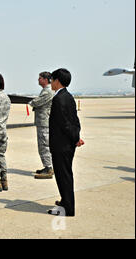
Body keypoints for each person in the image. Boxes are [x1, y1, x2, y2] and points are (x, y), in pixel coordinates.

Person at [48, 68, 84, 217]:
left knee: (64, 176)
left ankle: (67, 208)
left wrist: (75, 138)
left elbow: (65, 123)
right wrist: (76, 137)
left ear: (57, 81)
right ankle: (65, 201)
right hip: (67, 143)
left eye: (52, 80)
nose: (51, 82)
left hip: (61, 145)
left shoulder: (58, 99)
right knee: (65, 175)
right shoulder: (68, 96)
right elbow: (74, 120)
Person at [29, 72, 55, 179]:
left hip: (45, 123)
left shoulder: (48, 91)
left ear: (45, 79)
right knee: (43, 145)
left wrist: (32, 102)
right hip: (43, 122)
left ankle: (49, 168)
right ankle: (47, 166)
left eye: (40, 78)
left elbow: (36, 102)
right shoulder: (46, 90)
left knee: (44, 145)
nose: (38, 80)